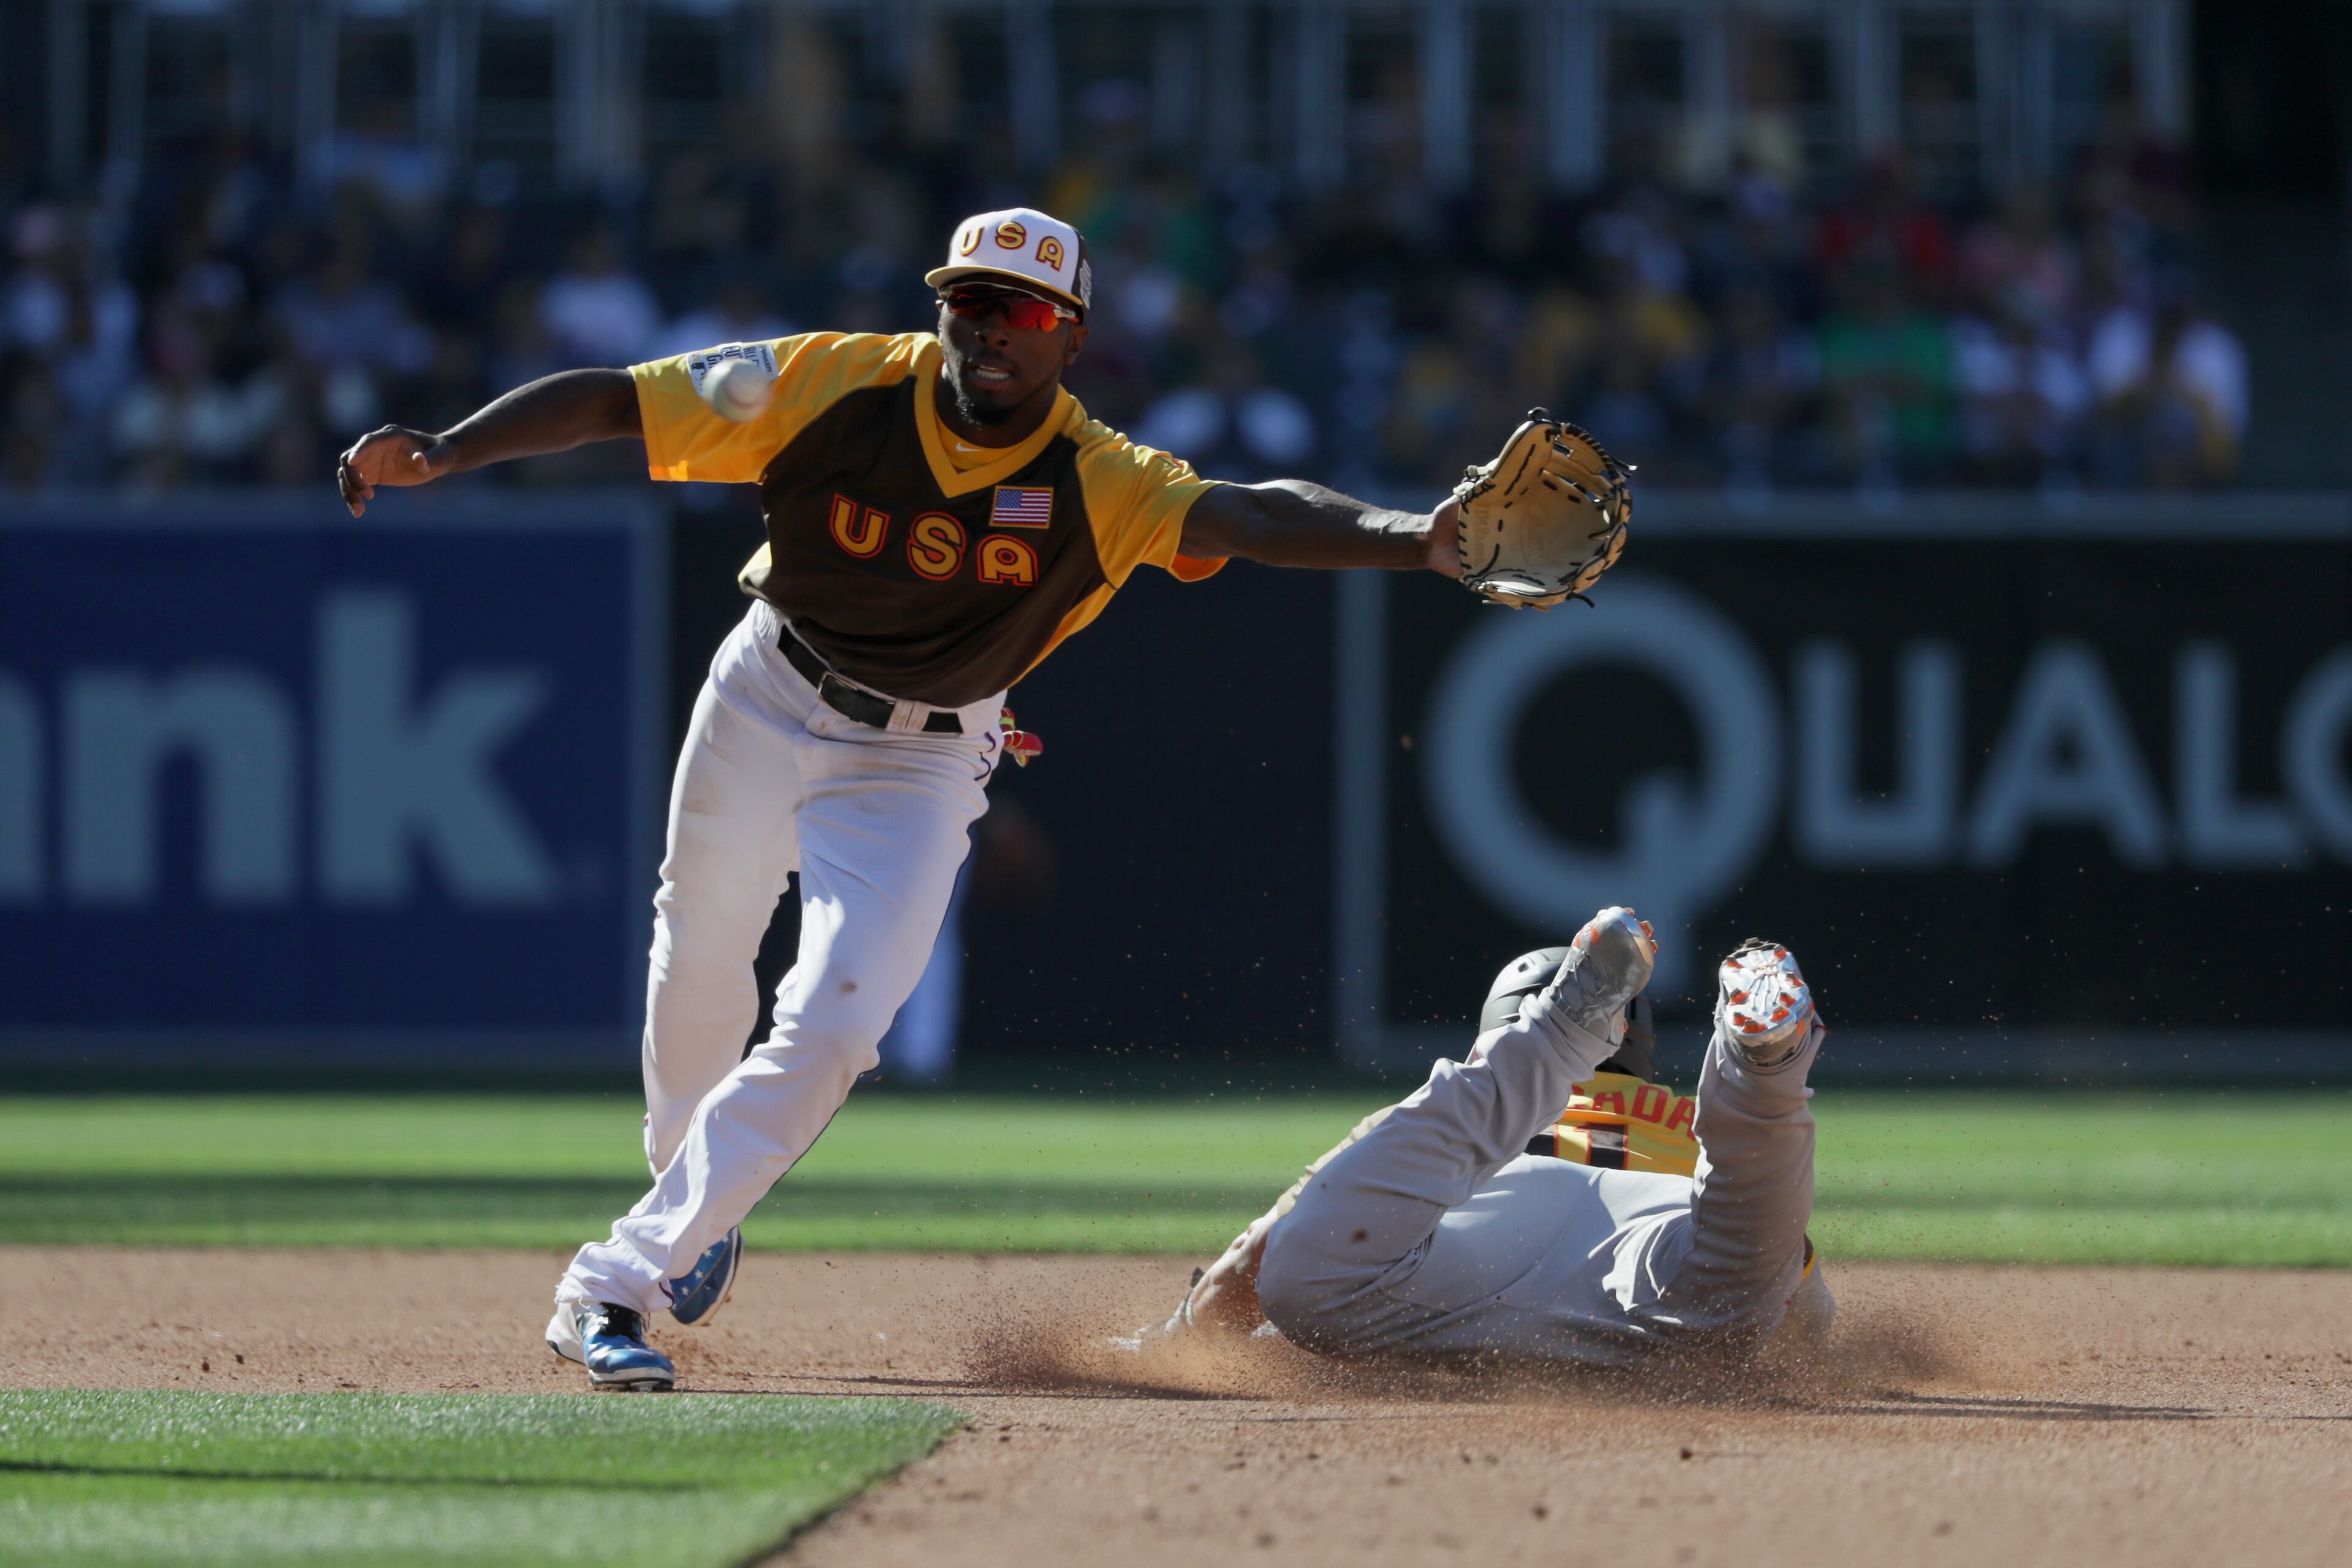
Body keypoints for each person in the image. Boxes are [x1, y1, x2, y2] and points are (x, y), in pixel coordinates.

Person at [334, 207, 1466, 1390]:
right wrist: (450, 449)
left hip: (921, 756)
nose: (992, 333)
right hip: (769, 686)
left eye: (1025, 314)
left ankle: (612, 1280)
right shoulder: (835, 381)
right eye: (970, 303)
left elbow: (1255, 514)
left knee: (836, 1023)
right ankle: (690, 1207)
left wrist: (1419, 540)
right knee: (700, 951)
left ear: (1071, 341)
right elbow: (624, 400)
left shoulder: (1098, 476)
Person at [1137, 908, 1834, 1364]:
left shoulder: (1424, 1123)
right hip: (1653, 1261)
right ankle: (1760, 1073)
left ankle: (1557, 1029)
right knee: (1732, 1297)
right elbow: (1796, 1292)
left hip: (1465, 1262)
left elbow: (1252, 1256)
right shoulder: (1684, 1126)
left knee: (1305, 1279)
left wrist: (1179, 1341)